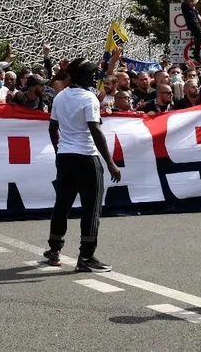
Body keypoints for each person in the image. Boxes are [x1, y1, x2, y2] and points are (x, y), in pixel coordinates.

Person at [42, 59, 121, 272]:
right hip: (87, 157)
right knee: (91, 208)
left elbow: (52, 128)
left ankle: (54, 250)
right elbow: (95, 131)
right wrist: (110, 162)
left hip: (66, 158)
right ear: (83, 76)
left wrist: (60, 150)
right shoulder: (90, 99)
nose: (96, 76)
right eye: (92, 73)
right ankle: (86, 256)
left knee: (62, 204)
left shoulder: (60, 96)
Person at [181, 0, 201, 64]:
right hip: (191, 23)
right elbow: (193, 4)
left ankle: (197, 56)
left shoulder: (194, 7)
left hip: (196, 22)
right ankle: (196, 56)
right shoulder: (185, 4)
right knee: (199, 38)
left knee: (199, 39)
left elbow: (198, 15)